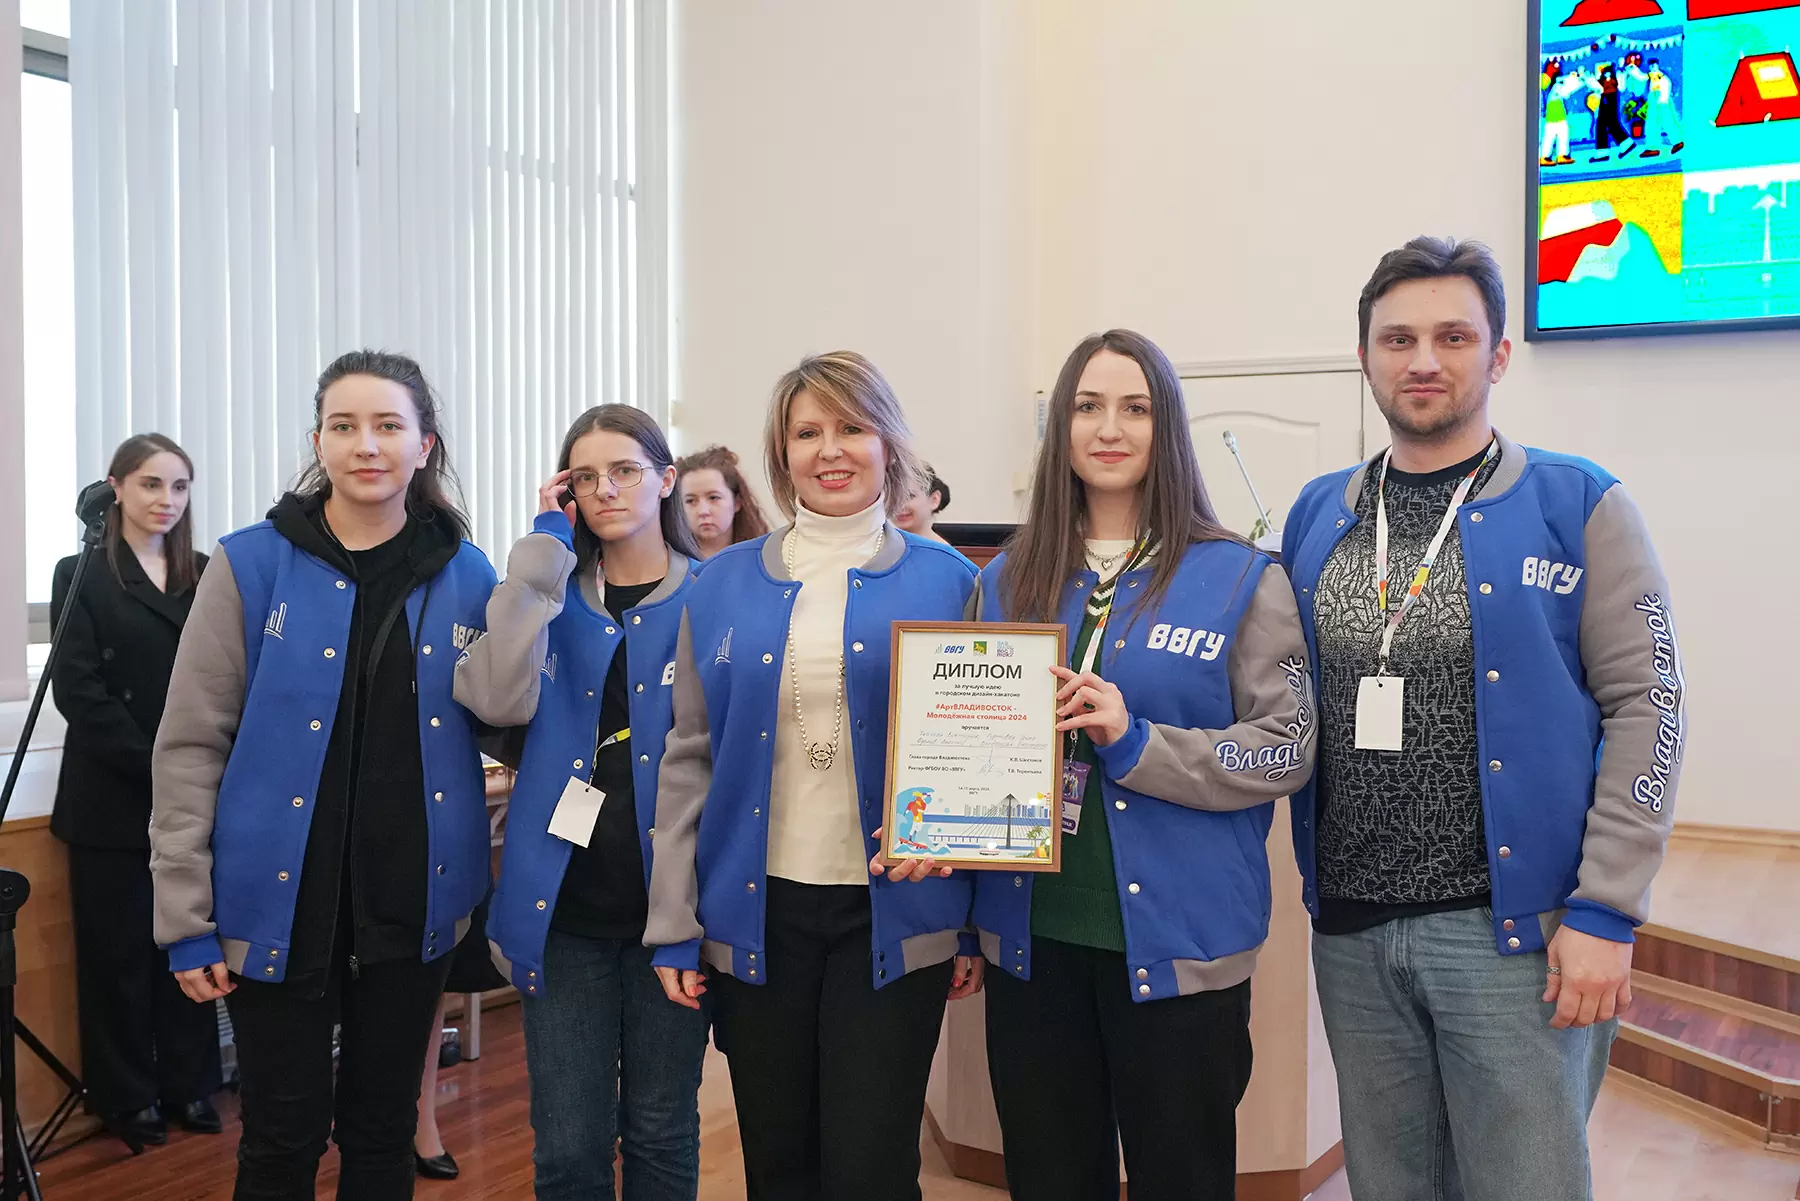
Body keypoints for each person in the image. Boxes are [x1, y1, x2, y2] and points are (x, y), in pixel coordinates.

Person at [1282, 237, 1683, 1201]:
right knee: (1391, 1186)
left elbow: (1649, 704)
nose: (1424, 359)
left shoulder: (1576, 503)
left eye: (1453, 337)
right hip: (1354, 932)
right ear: (1367, 356)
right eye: (1399, 339)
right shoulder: (1318, 513)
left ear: (1498, 355)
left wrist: (1606, 908)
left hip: (1512, 937)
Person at [971, 330, 1316, 1200]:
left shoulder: (1239, 577)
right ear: (1061, 426)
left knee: (1181, 1179)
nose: (1109, 428)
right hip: (1032, 941)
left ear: (1168, 428)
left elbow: (1288, 746)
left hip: (1182, 945)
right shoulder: (1007, 579)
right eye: (1087, 406)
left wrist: (1138, 744)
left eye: (1136, 407)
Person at [151, 350, 498, 1201]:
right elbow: (191, 747)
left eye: (388, 425)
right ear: (318, 441)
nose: (365, 444)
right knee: (281, 1137)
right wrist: (185, 920)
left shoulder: (467, 572)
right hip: (277, 907)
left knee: (381, 1134)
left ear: (424, 445)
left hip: (411, 907)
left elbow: (510, 710)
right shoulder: (250, 564)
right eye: (344, 425)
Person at [645, 352, 984, 1201]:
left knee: (872, 1169)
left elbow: (983, 754)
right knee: (779, 1163)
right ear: (781, 451)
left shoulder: (953, 582)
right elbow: (688, 757)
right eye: (807, 432)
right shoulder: (719, 584)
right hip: (758, 914)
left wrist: (972, 923)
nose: (830, 450)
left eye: (851, 427)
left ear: (888, 443)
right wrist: (674, 923)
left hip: (896, 911)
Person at [455, 404, 710, 1200]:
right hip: (563, 914)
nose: (607, 489)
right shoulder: (546, 595)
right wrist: (541, 552)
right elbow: (494, 700)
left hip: (676, 915)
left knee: (661, 1132)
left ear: (665, 479)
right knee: (568, 1146)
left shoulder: (712, 595)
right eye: (586, 476)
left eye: (626, 470)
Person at [50, 434, 223, 1148]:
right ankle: (126, 1095)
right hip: (112, 797)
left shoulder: (205, 574)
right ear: (115, 487)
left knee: (188, 943)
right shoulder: (81, 573)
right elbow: (78, 690)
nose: (166, 500)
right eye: (151, 484)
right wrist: (160, 765)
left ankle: (192, 1084)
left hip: (193, 798)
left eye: (179, 487)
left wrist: (192, 770)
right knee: (118, 957)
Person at [675, 444, 770, 558]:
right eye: (690, 501)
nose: (703, 511)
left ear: (737, 502)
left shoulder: (764, 557)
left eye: (713, 498)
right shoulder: (670, 561)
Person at [893, 464, 951, 543]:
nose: (899, 505)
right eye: (893, 497)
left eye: (909, 496)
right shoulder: (881, 546)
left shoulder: (941, 550)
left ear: (934, 499)